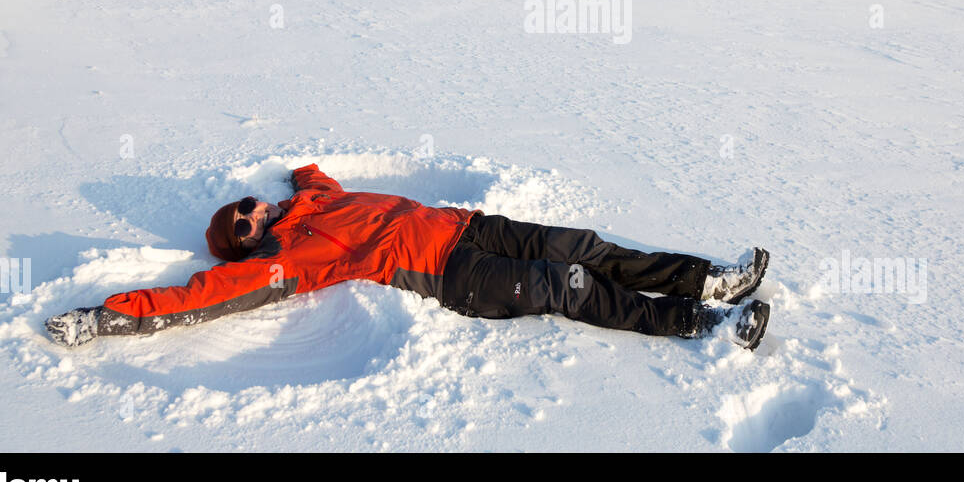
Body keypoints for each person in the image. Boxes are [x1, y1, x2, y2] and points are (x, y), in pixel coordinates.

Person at [45, 163, 771, 351]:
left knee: (583, 246)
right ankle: (696, 325)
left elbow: (312, 176)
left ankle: (710, 280)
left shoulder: (313, 201)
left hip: (471, 226)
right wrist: (111, 316)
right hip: (455, 275)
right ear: (246, 243)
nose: (252, 212)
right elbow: (202, 295)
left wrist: (298, 178)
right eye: (243, 223)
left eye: (246, 204)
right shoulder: (289, 256)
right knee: (569, 283)